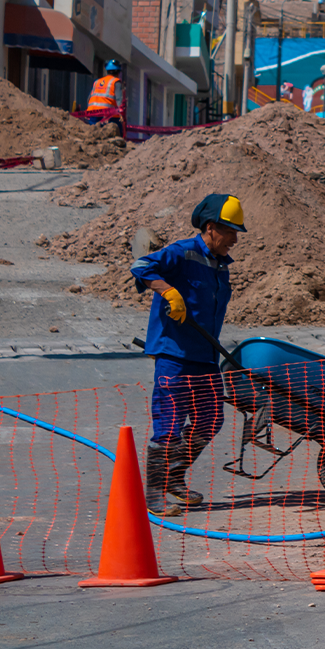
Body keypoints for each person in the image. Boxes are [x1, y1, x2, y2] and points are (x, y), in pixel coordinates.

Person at [130, 194, 247, 516]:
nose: (235, 240)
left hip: (205, 356)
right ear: (211, 228)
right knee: (168, 425)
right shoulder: (183, 253)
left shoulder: (220, 266)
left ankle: (172, 478)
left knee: (209, 421)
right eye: (230, 232)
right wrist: (167, 290)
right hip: (174, 355)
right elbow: (140, 265)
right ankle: (153, 497)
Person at [78, 60, 125, 129]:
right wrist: (121, 114)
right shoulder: (116, 82)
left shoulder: (97, 82)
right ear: (118, 72)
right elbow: (119, 100)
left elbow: (89, 99)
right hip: (107, 115)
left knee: (93, 131)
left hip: (92, 114)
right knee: (118, 130)